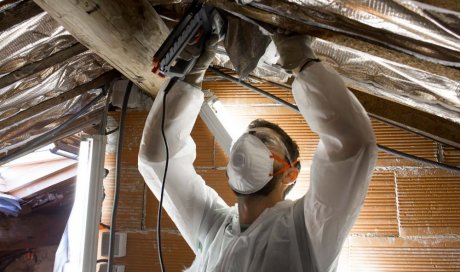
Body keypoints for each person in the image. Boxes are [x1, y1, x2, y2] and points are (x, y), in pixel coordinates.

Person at [139, 32, 377, 271]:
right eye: (247, 137)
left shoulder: (305, 230)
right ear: (230, 173)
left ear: (290, 174)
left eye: (264, 140)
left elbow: (352, 145)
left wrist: (301, 60)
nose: (250, 142)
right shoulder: (214, 228)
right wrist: (191, 73)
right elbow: (157, 161)